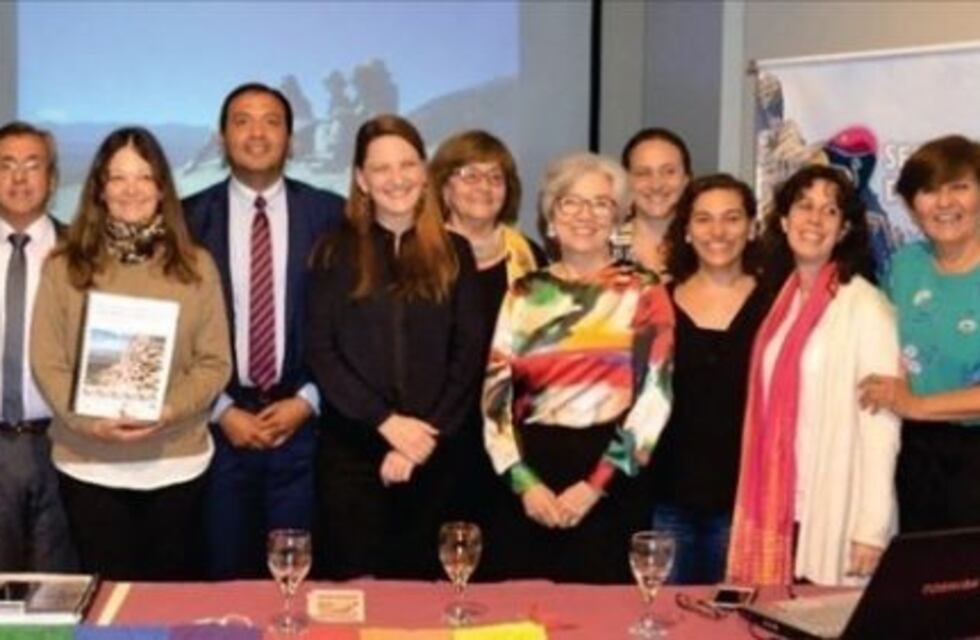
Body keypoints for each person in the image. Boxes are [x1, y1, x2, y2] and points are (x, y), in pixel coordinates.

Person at [30, 127, 231, 580]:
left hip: (176, 462)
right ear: (99, 189)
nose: (131, 190)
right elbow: (48, 362)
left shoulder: (196, 266)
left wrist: (169, 409)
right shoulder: (64, 266)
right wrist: (89, 421)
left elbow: (215, 362)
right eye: (118, 178)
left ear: (162, 187)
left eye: (144, 177)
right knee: (109, 613)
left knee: (170, 605)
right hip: (90, 465)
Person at [482, 152, 674, 583]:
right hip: (529, 480)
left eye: (601, 203)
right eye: (571, 202)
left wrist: (595, 486)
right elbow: (494, 400)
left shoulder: (644, 290)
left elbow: (655, 401)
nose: (585, 215)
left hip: (612, 480)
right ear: (552, 214)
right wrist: (522, 482)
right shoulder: (525, 291)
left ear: (619, 216)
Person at [306, 114, 484, 579]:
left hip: (436, 455)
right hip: (353, 456)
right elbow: (323, 354)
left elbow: (468, 357)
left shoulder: (456, 253)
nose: (396, 178)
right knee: (354, 600)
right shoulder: (331, 252)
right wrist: (385, 424)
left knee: (429, 603)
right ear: (361, 180)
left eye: (407, 164)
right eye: (380, 169)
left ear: (425, 173)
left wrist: (417, 442)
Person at [183, 82, 344, 578]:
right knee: (223, 578)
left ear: (291, 140)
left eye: (271, 121)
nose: (257, 133)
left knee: (298, 582)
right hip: (216, 432)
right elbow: (174, 330)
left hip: (306, 429)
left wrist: (309, 400)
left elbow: (351, 325)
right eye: (243, 120)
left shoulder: (332, 215)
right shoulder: (187, 220)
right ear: (221, 137)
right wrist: (221, 409)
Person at [727, 165, 901, 586]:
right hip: (778, 507)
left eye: (830, 211)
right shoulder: (780, 302)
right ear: (784, 220)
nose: (815, 220)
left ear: (843, 230)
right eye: (804, 207)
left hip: (835, 508)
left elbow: (881, 426)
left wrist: (872, 530)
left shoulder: (866, 306)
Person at [649, 174, 769, 584]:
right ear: (685, 230)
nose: (718, 232)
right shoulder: (655, 303)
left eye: (732, 218)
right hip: (666, 501)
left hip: (748, 503)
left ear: (752, 227)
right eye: (703, 219)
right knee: (665, 620)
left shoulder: (779, 302)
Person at [859, 135, 980, 533]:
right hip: (918, 457)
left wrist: (916, 405)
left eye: (959, 187)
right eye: (929, 190)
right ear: (912, 207)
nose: (944, 203)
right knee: (925, 585)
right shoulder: (904, 266)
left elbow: (910, 399)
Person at [429, 129, 545, 528]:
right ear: (443, 187)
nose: (484, 187)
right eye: (469, 175)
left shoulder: (530, 255)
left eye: (495, 177)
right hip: (436, 432)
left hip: (511, 436)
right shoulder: (419, 254)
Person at [0, 121, 76, 572]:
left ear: (53, 177)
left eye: (32, 165)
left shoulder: (82, 253)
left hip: (62, 442)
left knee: (59, 589)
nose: (19, 178)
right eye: (6, 166)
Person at [615, 128, 692, 275]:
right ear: (626, 181)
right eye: (643, 173)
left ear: (686, 180)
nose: (656, 185)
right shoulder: (601, 246)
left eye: (668, 172)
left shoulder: (704, 245)